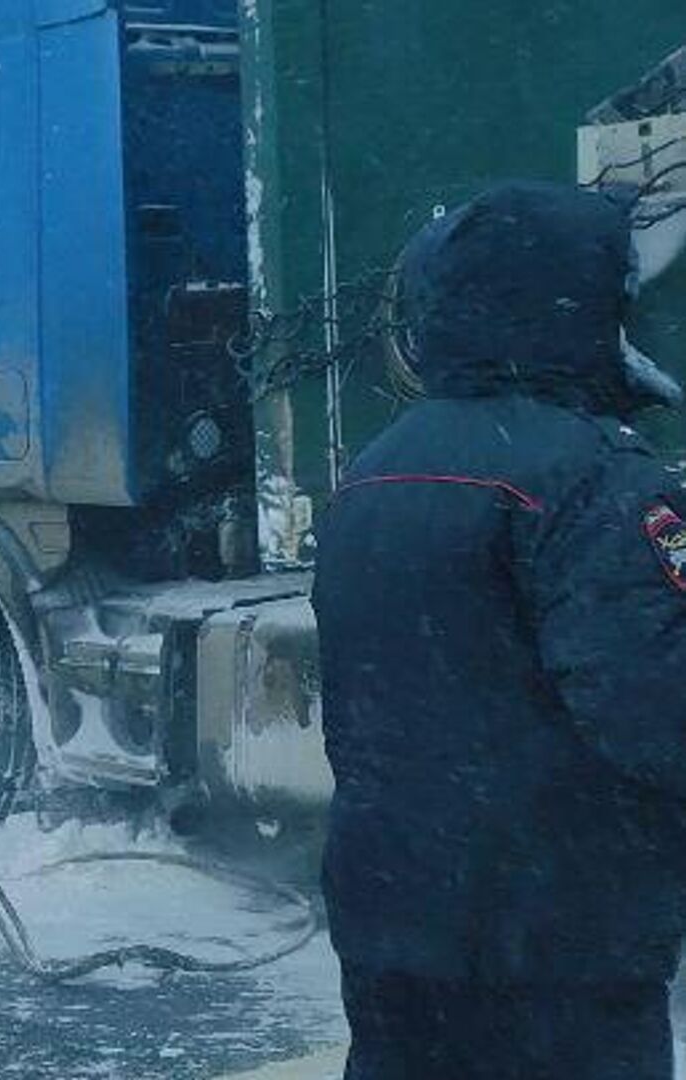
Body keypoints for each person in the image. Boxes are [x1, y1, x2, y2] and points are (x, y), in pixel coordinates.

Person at [313, 181, 686, 1079]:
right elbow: (657, 711)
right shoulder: (598, 477)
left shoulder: (373, 471)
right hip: (560, 936)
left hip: (390, 911)